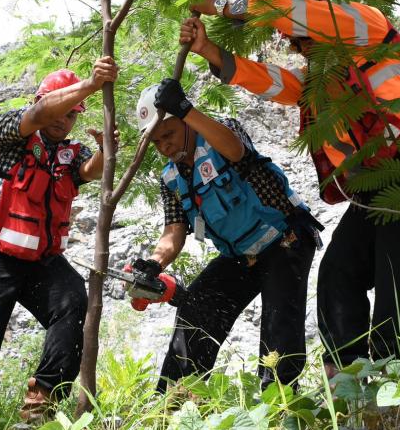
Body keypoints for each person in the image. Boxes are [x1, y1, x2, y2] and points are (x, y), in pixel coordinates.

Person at [180, 0, 400, 375]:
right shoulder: (322, 81)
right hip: (381, 182)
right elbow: (275, 82)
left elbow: (286, 10)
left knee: (396, 268)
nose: (299, 47)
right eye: (296, 43)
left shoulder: (363, 22)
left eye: (300, 36)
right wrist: (210, 51)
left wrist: (217, 5)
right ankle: (345, 379)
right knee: (338, 271)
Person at [0, 59, 118, 430]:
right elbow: (37, 115)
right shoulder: (11, 130)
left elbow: (88, 172)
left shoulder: (68, 152)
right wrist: (89, 83)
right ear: (41, 100)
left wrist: (105, 148)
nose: (63, 120)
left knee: (71, 302)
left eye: (72, 116)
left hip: (40, 259)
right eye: (59, 109)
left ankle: (40, 405)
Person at [132, 79, 321, 393]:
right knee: (197, 308)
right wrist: (154, 264)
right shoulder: (171, 179)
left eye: (169, 133)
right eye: (156, 140)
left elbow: (235, 150)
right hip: (239, 257)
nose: (164, 145)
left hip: (285, 239)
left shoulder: (222, 133)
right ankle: (177, 400)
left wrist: (187, 109)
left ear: (185, 121)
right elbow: (174, 232)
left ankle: (281, 402)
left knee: (278, 322)